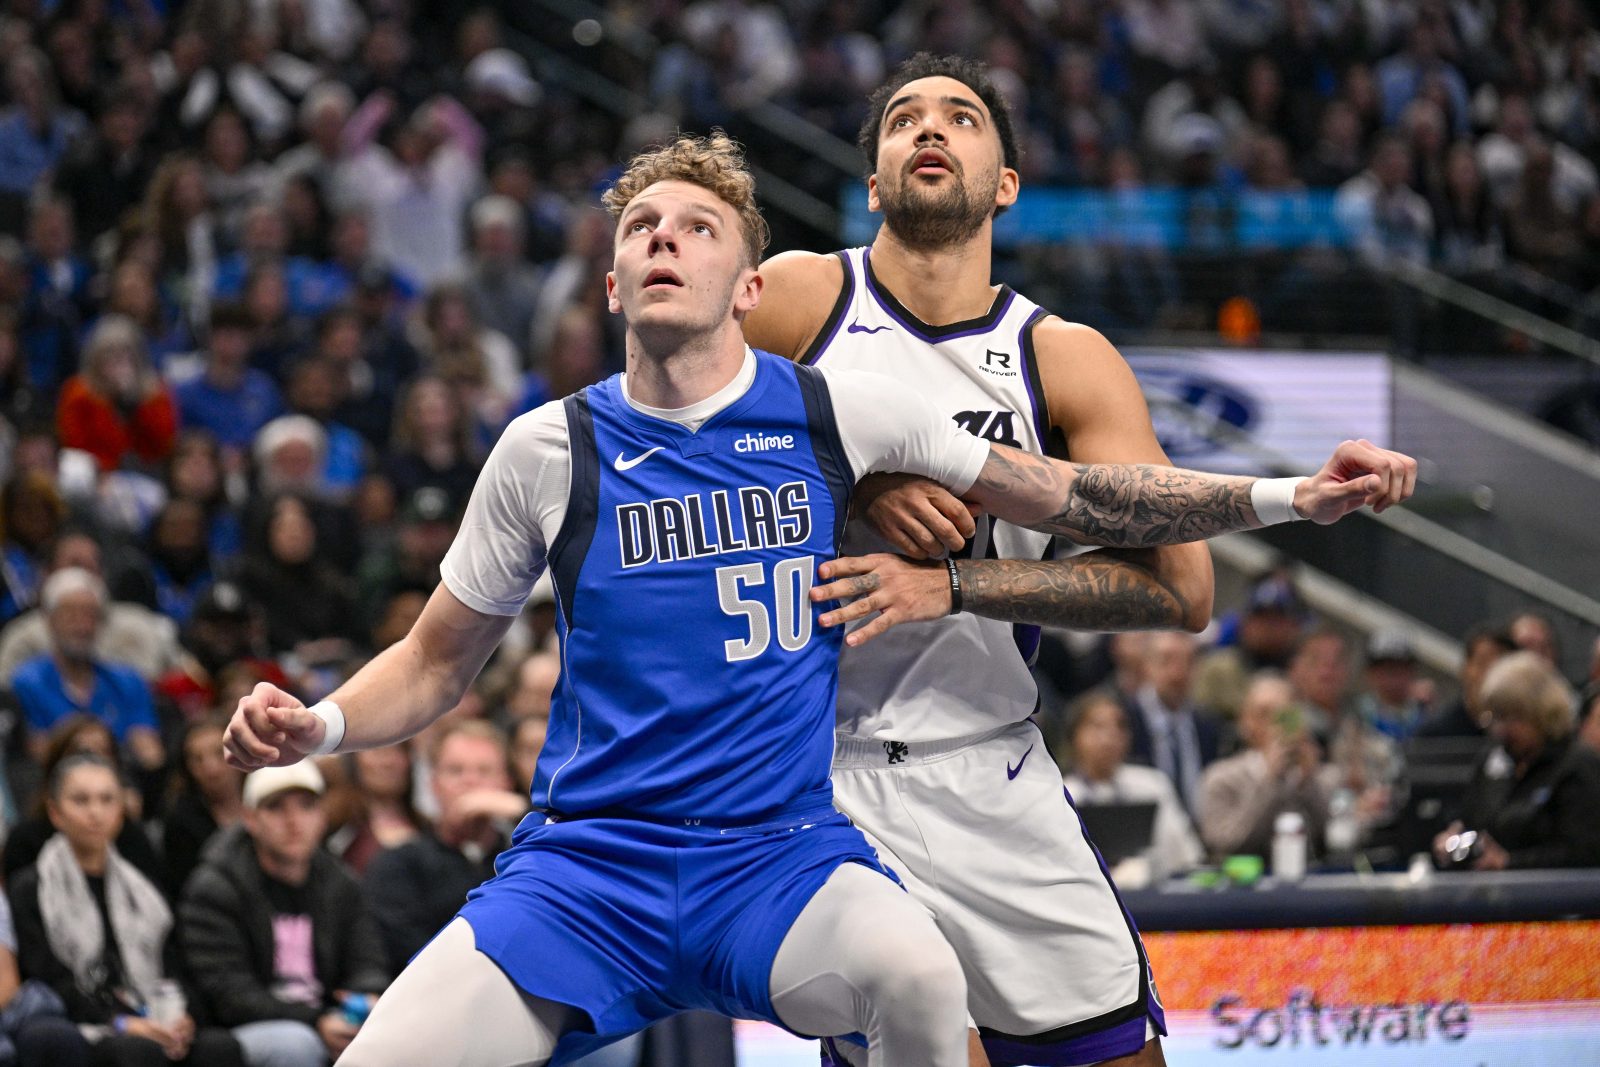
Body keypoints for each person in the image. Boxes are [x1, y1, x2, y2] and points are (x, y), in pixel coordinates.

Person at [221, 133, 1414, 1067]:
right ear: (613, 279)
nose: (664, 240)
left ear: (750, 285)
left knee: (918, 979)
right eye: (641, 227)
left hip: (775, 853)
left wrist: (1285, 494)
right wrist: (318, 724)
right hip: (590, 865)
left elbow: (1078, 489)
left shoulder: (837, 411)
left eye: (697, 226)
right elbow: (435, 664)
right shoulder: (547, 446)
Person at [739, 54, 1410, 1067]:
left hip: (990, 758)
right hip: (816, 770)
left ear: (1004, 182)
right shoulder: (800, 298)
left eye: (961, 118)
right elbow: (662, 427)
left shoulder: (1061, 355)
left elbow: (1180, 589)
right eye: (904, 119)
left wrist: (957, 583)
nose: (930, 129)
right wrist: (856, 479)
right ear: (871, 179)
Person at [9, 755, 246, 1067]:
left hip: (151, 1010)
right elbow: (47, 979)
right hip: (84, 1021)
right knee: (134, 1051)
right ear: (55, 812)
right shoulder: (32, 886)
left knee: (220, 1047)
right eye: (81, 800)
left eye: (107, 799)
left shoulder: (143, 887)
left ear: (121, 809)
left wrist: (182, 1016)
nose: (95, 812)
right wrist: (122, 1022)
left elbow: (173, 965)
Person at [177, 762, 390, 1067]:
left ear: (322, 817)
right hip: (243, 1031)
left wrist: (364, 999)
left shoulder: (341, 883)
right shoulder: (216, 888)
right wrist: (316, 1020)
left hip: (329, 1019)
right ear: (250, 819)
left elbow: (368, 961)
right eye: (276, 808)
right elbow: (228, 994)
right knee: (295, 1046)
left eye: (306, 807)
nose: (294, 821)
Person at [362, 721, 524, 972]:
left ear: (506, 783)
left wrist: (523, 812)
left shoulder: (523, 860)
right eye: (455, 771)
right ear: (433, 784)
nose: (470, 782)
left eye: (484, 771)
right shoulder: (398, 864)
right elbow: (412, 955)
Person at [1432, 652, 1600, 870]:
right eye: (1496, 716)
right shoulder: (1493, 758)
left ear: (1541, 713)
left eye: (1512, 717)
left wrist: (1510, 863)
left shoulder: (1577, 765)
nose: (1502, 729)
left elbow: (1585, 853)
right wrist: (1455, 839)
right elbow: (1472, 818)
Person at [8, 569, 164, 773]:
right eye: (70, 614)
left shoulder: (128, 681)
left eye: (90, 615)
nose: (82, 625)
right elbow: (36, 754)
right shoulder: (25, 683)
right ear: (49, 619)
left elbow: (150, 754)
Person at [1058, 691, 1203, 885]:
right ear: (1074, 736)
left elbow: (1186, 856)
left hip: (1154, 897)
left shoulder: (1153, 784)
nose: (1110, 736)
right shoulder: (1062, 795)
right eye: (1097, 726)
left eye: (1119, 726)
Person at [1195, 673, 1330, 863]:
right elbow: (1224, 844)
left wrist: (1308, 783)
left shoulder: (1320, 776)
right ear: (1245, 722)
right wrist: (1269, 779)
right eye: (1264, 714)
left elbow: (1332, 841)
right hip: (1243, 887)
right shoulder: (1220, 778)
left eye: (1284, 715)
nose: (1274, 725)